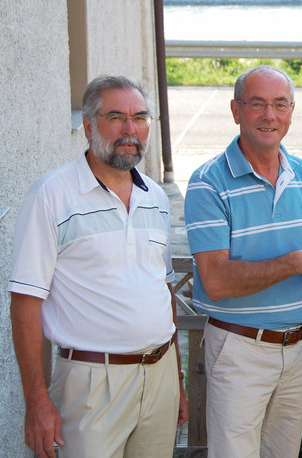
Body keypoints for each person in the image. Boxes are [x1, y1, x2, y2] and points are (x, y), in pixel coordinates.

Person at [8, 76, 188, 458]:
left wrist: (176, 377)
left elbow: (164, 289)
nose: (130, 130)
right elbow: (25, 302)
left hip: (159, 379)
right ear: (89, 126)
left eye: (140, 117)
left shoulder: (155, 197)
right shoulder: (51, 194)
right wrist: (37, 402)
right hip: (90, 384)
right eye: (115, 117)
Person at [183, 64, 302, 458]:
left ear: (292, 111)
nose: (270, 115)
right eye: (257, 104)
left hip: (300, 347)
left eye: (280, 104)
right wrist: (294, 262)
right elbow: (216, 281)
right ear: (236, 111)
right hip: (239, 348)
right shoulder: (208, 181)